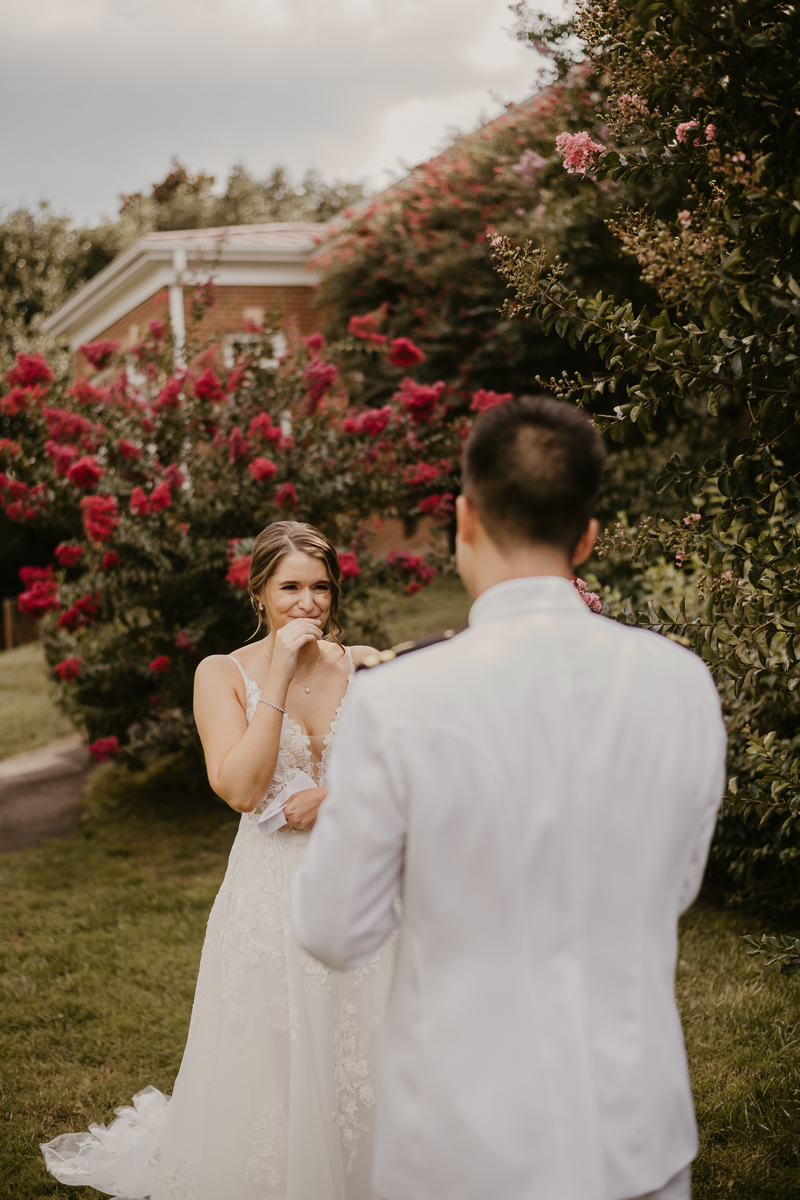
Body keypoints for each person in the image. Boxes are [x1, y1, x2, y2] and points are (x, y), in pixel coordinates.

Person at [292, 396, 727, 1200]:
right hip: (637, 1133)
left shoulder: (398, 699)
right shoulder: (682, 682)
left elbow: (331, 928)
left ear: (464, 519)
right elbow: (677, 887)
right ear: (587, 538)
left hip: (459, 1143)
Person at [42, 520, 394, 1200]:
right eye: (290, 587)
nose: (308, 603)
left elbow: (406, 777)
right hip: (274, 889)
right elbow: (239, 787)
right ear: (258, 591)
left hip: (361, 880)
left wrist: (336, 795)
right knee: (277, 1041)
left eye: (321, 588)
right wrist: (282, 674)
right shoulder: (221, 674)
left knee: (365, 1038)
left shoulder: (362, 665)